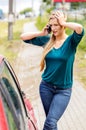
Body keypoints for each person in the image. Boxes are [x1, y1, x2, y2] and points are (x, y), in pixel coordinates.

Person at [20, 10, 84, 130]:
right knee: (51, 122)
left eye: (57, 25)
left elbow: (79, 28)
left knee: (50, 122)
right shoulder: (47, 41)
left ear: (63, 25)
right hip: (46, 88)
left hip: (63, 91)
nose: (54, 28)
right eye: (52, 25)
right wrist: (41, 33)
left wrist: (63, 22)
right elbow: (23, 37)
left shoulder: (71, 42)